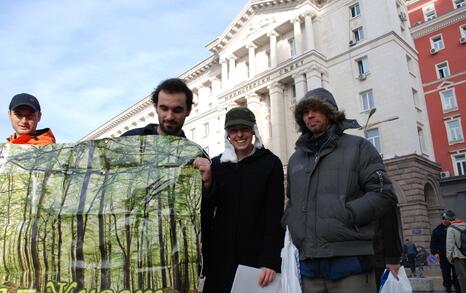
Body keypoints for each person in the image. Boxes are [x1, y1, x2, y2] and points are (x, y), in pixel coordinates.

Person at [282, 88, 399, 292]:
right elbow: (292, 201)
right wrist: (291, 223)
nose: (310, 115)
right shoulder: (295, 159)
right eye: (305, 112)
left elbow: (383, 193)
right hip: (309, 266)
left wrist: (349, 214)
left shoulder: (359, 147)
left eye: (316, 109)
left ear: (331, 113)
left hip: (350, 263)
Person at [194, 107, 285, 293]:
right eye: (234, 130)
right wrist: (208, 184)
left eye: (244, 128)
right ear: (228, 135)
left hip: (256, 260)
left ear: (253, 131)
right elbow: (206, 214)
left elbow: (275, 216)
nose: (240, 135)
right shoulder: (217, 165)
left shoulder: (270, 163)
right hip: (220, 260)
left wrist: (270, 260)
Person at [122, 78, 192, 137]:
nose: (169, 117)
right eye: (164, 109)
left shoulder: (195, 152)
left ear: (188, 110)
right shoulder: (129, 138)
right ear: (156, 108)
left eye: (177, 110)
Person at [431, 210, 460, 292]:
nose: (445, 220)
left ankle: (457, 287)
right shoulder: (436, 230)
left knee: (456, 272)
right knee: (445, 272)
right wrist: (435, 253)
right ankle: (448, 287)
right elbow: (433, 243)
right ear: (442, 219)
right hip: (443, 254)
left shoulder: (453, 227)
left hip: (454, 254)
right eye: (443, 219)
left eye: (446, 219)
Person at [446, 210, 465, 292]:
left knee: (462, 277)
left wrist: (449, 257)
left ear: (448, 218)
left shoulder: (451, 228)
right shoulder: (465, 224)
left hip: (459, 256)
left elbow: (450, 245)